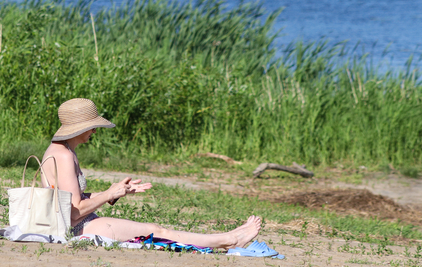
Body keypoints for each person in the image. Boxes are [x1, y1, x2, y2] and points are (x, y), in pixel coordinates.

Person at [40, 98, 261, 249]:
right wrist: (108, 194)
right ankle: (230, 239)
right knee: (155, 231)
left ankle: (229, 239)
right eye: (93, 126)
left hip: (78, 221)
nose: (95, 131)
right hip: (77, 227)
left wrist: (118, 193)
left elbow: (68, 200)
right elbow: (75, 212)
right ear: (79, 128)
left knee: (155, 230)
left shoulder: (62, 150)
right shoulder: (64, 156)